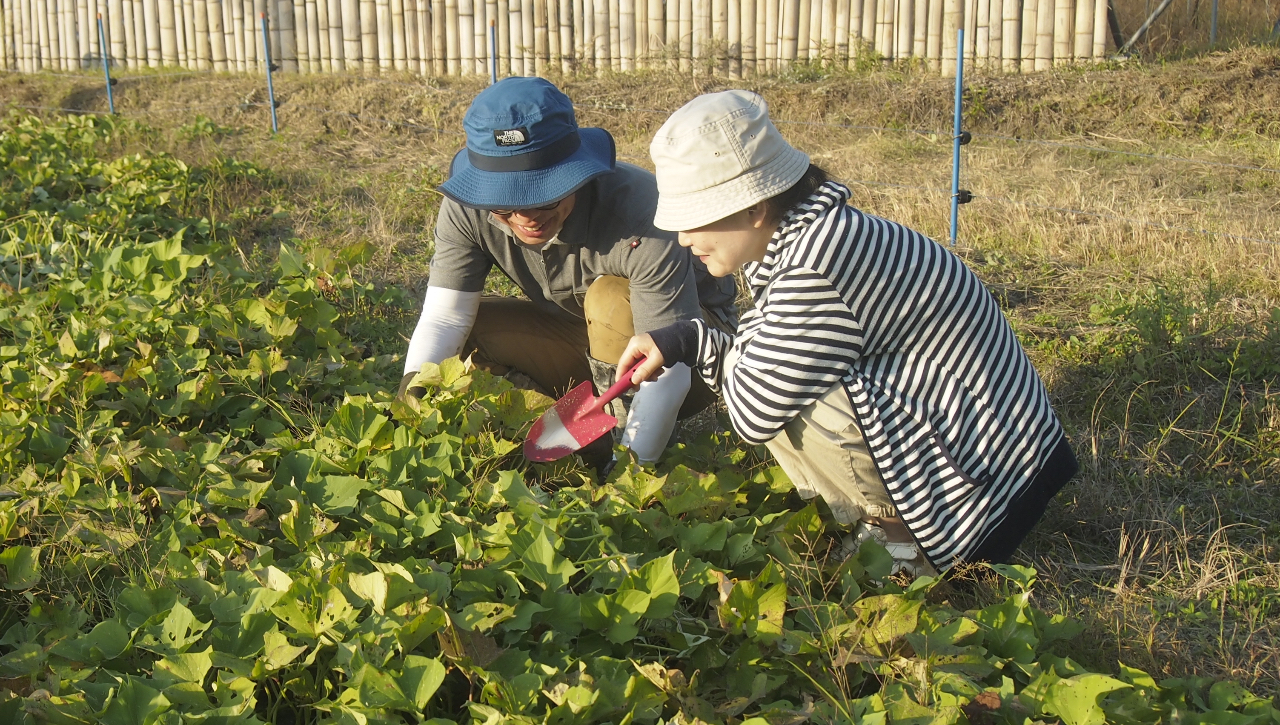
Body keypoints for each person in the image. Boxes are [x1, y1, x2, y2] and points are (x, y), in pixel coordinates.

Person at [617, 90, 1077, 573]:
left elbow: (755, 411)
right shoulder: (817, 234)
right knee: (777, 368)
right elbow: (769, 353)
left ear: (754, 208)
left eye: (693, 220)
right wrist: (685, 340)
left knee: (787, 394)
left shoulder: (818, 267)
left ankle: (900, 549)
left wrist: (699, 344)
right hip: (996, 457)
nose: (684, 239)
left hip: (982, 498)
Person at [399, 76, 737, 463]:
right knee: (465, 338)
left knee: (611, 298)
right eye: (504, 206)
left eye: (543, 197)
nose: (525, 217)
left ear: (577, 172)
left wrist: (628, 475)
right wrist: (411, 404)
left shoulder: (641, 214)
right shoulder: (467, 207)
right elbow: (445, 319)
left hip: (684, 353)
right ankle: (557, 430)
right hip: (579, 335)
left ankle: (614, 441)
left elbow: (671, 370)